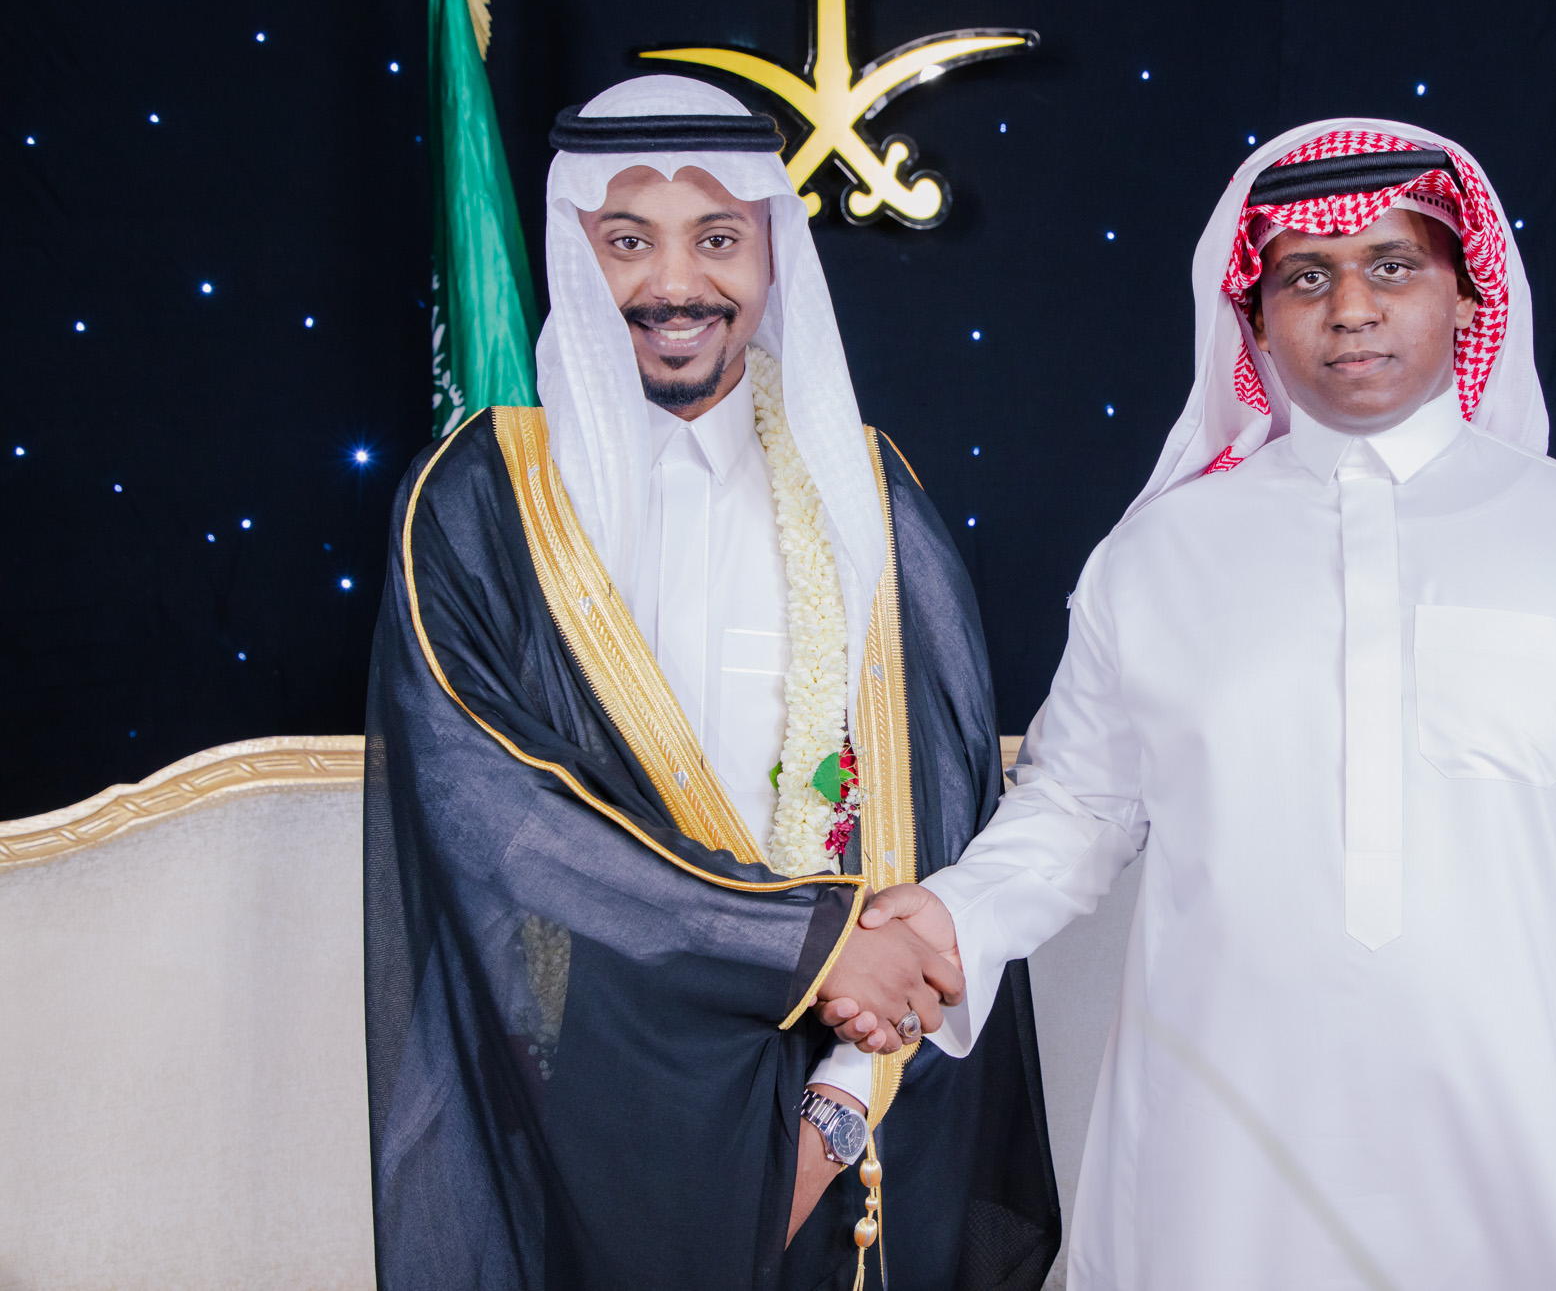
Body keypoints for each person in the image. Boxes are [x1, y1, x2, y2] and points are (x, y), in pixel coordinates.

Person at [831, 121, 1556, 1290]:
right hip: (1220, 1161)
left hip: (1541, 1160)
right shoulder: (1158, 557)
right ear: (1253, 321)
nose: (1350, 308)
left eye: (1391, 266)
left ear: (1466, 294)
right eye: (1304, 277)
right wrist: (946, 921)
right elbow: (1077, 810)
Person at [362, 74, 1057, 1291]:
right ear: (572, 251)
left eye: (719, 238)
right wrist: (802, 945)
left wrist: (844, 1097)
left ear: (773, 256)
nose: (675, 284)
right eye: (628, 240)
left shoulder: (866, 497)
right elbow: (487, 813)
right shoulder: (480, 499)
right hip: (588, 1090)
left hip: (844, 1080)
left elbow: (941, 822)